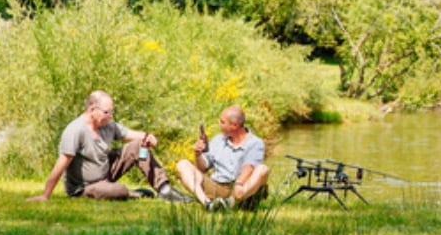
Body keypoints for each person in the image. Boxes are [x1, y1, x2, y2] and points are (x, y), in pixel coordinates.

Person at [27, 90, 192, 203]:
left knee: (136, 147)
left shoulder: (107, 124)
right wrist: (45, 195)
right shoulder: (75, 130)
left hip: (106, 172)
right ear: (92, 110)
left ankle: (165, 190)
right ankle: (132, 194)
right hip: (85, 187)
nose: (110, 116)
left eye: (112, 112)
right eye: (107, 112)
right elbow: (61, 163)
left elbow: (129, 134)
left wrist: (147, 137)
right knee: (118, 190)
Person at [175, 105, 270, 211]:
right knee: (182, 164)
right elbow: (203, 168)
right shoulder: (218, 140)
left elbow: (249, 167)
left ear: (234, 125)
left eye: (222, 122)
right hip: (217, 186)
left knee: (263, 169)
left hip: (241, 189)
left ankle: (231, 203)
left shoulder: (255, 142)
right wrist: (197, 154)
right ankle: (207, 204)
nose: (219, 124)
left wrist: (239, 184)